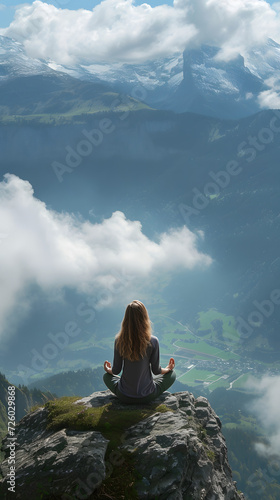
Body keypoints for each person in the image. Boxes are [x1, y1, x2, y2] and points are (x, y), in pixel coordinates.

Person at [103, 300, 176, 404]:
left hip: (124, 395)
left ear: (126, 319)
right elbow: (156, 371)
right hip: (147, 395)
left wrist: (107, 369)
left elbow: (115, 371)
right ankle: (147, 384)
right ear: (144, 317)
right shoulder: (153, 341)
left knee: (106, 376)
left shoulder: (119, 340)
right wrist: (168, 368)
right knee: (172, 374)